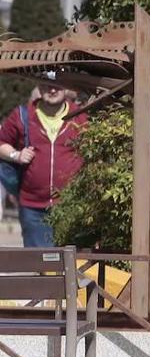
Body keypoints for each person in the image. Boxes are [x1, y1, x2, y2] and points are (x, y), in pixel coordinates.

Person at [0, 79, 88, 247]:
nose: (52, 90)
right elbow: (1, 143)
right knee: (40, 265)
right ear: (39, 87)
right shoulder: (22, 115)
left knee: (71, 265)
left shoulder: (81, 117)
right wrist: (16, 154)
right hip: (33, 208)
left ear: (65, 88)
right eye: (47, 85)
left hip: (72, 206)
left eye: (57, 85)